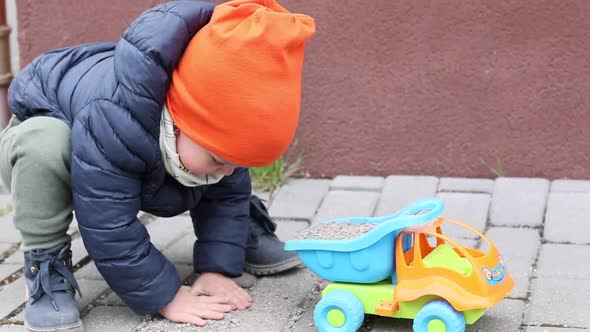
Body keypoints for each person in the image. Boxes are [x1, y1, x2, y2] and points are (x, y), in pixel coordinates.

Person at [0, 0, 315, 330]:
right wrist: (166, 296)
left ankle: (233, 238)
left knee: (221, 175)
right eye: (220, 158)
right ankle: (46, 265)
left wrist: (217, 270)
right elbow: (108, 223)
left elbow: (227, 191)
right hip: (46, 131)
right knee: (44, 143)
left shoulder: (211, 144)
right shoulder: (113, 118)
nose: (228, 170)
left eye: (238, 163)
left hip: (149, 144)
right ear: (179, 122)